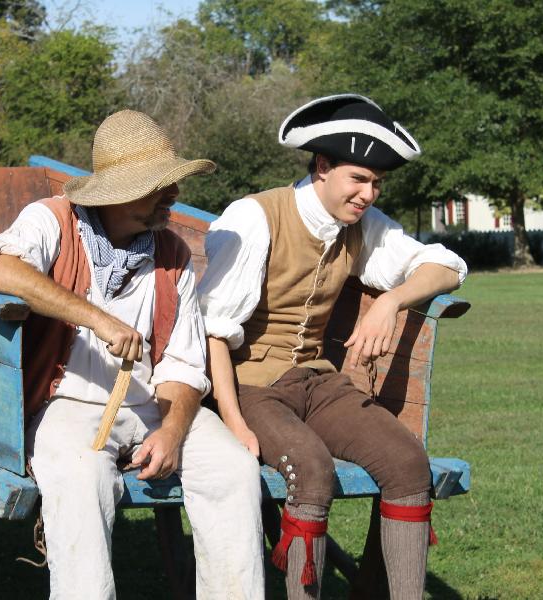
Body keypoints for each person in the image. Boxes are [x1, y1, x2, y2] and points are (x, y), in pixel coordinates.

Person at [0, 110, 265, 600]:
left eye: (172, 183)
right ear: (119, 191)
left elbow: (185, 365)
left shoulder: (171, 252)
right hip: (67, 405)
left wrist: (171, 431)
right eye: (158, 186)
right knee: (82, 479)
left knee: (232, 469)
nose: (172, 195)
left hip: (154, 406)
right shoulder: (53, 221)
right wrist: (97, 318)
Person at [197, 94, 468, 600]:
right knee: (312, 469)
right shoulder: (256, 216)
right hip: (251, 385)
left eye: (377, 183)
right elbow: (213, 328)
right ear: (322, 167)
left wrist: (392, 300)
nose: (369, 194)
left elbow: (447, 265)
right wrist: (233, 420)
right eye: (359, 179)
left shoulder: (362, 225)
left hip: (317, 380)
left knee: (408, 463)